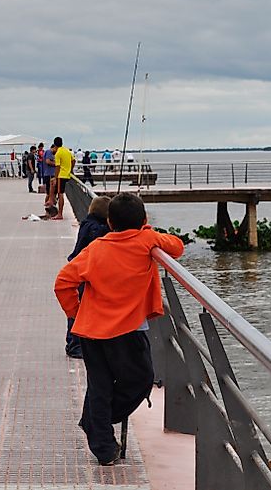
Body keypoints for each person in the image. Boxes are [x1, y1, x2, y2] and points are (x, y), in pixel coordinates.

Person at [54, 193, 184, 466]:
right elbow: (177, 247)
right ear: (144, 220)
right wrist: (149, 231)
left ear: (110, 222)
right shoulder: (147, 239)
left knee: (99, 385)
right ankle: (95, 423)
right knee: (141, 378)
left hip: (91, 331)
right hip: (129, 330)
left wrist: (76, 312)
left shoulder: (95, 248)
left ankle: (102, 442)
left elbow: (63, 282)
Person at [64, 195, 111, 358]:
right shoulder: (93, 227)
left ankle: (78, 343)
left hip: (81, 272)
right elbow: (99, 235)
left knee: (81, 310)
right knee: (78, 310)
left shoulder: (88, 223)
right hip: (81, 275)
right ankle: (74, 345)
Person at [52, 137, 75, 220]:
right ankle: (52, 202)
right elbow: (73, 161)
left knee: (60, 193)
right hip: (67, 175)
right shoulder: (67, 151)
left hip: (61, 176)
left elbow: (57, 167)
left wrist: (55, 178)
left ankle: (60, 214)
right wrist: (70, 169)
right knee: (58, 192)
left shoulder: (58, 153)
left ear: (55, 145)